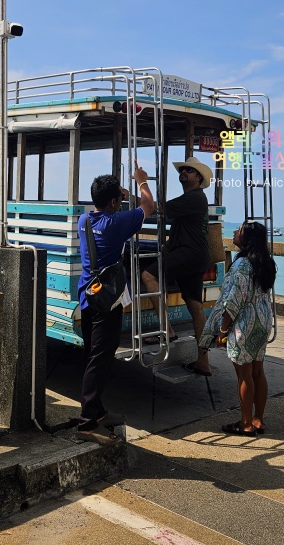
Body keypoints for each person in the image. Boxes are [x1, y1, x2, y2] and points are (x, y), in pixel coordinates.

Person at [76, 165, 155, 444]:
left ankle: (96, 412)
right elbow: (149, 205)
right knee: (100, 360)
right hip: (108, 301)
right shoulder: (116, 224)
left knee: (92, 357)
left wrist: (115, 195)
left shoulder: (84, 221)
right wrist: (141, 182)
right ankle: (87, 424)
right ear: (113, 202)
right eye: (118, 199)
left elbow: (107, 207)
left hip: (87, 296)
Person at [198, 221, 276, 436]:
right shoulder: (265, 262)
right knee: (258, 371)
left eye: (239, 230)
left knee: (244, 375)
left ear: (247, 238)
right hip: (262, 319)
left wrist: (222, 330)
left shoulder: (242, 265)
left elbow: (233, 301)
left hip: (245, 322)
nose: (234, 232)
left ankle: (246, 424)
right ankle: (258, 419)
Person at [141, 156, 214, 375]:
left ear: (198, 177)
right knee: (195, 306)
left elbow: (155, 208)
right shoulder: (192, 199)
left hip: (189, 255)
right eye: (182, 170)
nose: (183, 173)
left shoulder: (195, 198)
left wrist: (139, 187)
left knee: (147, 276)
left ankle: (167, 331)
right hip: (196, 256)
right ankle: (203, 361)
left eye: (188, 171)